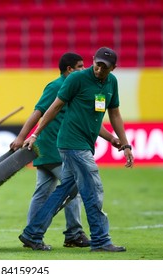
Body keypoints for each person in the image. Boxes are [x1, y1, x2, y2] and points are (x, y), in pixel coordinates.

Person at [19, 47, 134, 252]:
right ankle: (100, 239)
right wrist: (34, 134)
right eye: (97, 64)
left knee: (67, 190)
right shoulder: (76, 79)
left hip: (85, 145)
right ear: (93, 60)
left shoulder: (111, 83)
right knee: (93, 189)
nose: (99, 69)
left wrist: (123, 143)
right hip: (72, 144)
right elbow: (52, 107)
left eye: (105, 67)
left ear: (113, 68)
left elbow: (114, 114)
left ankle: (33, 233)